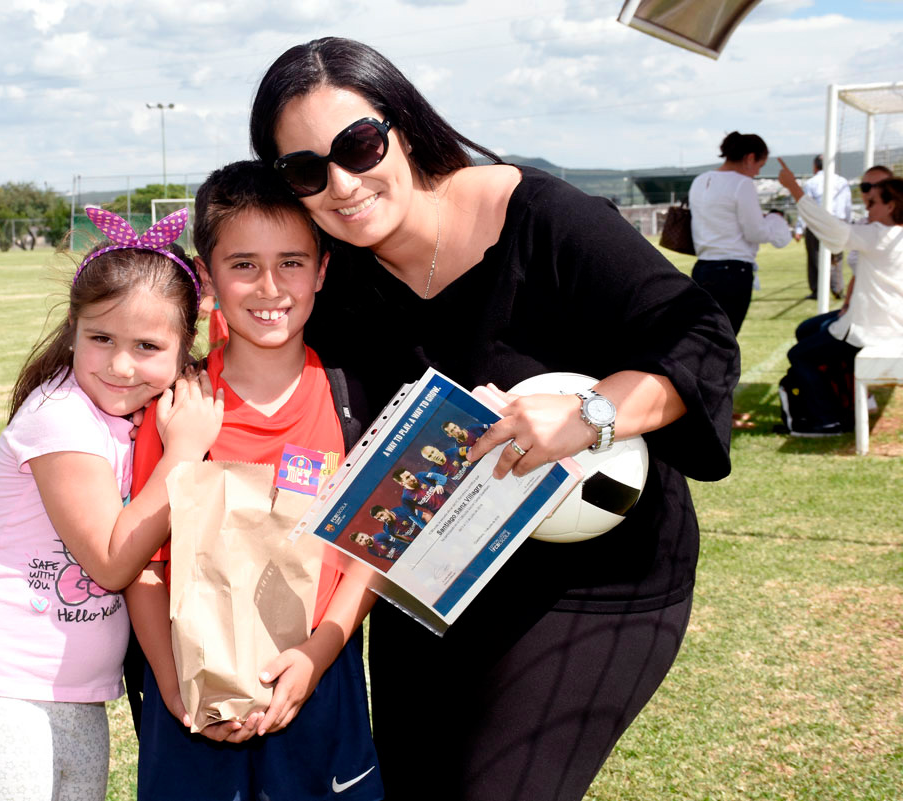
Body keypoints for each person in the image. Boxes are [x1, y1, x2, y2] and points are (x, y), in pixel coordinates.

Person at [251, 37, 738, 801]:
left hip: (595, 579)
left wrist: (593, 411)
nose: (342, 183)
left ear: (401, 127)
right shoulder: (334, 282)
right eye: (306, 169)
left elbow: (698, 335)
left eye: (358, 144)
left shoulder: (540, 218)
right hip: (434, 581)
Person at [0, 207, 224, 801]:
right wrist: (185, 452)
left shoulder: (138, 418)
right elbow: (112, 562)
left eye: (147, 346)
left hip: (78, 695)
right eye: (101, 339)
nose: (120, 364)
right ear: (73, 329)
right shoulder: (58, 415)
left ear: (182, 347)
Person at [124, 161, 382, 801]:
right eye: (243, 265)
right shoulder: (178, 405)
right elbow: (145, 565)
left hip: (322, 679)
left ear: (323, 269)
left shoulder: (353, 400)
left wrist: (318, 654)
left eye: (292, 262)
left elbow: (373, 547)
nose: (270, 286)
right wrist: (177, 685)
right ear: (207, 275)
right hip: (189, 684)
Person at [776, 159, 903, 436]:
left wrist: (795, 190)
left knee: (800, 355)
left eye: (873, 204)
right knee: (811, 337)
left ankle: (826, 419)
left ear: (890, 206)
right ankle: (839, 404)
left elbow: (832, 229)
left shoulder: (880, 235)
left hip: (874, 331)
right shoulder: (894, 235)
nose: (868, 209)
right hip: (891, 327)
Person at [687, 131, 792, 337]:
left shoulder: (700, 180)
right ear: (750, 158)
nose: (756, 173)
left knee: (702, 338)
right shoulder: (742, 184)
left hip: (702, 268)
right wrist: (774, 221)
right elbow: (756, 232)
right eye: (759, 166)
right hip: (732, 273)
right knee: (724, 342)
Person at [795, 155, 852, 300]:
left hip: (816, 224)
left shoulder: (811, 183)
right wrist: (848, 224)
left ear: (815, 166)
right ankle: (837, 289)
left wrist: (799, 229)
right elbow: (847, 207)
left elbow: (804, 207)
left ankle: (817, 290)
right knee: (837, 258)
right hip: (838, 223)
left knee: (815, 258)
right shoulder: (842, 182)